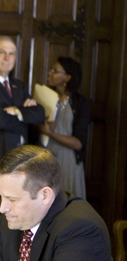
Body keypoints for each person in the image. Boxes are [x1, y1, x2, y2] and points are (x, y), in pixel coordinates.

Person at [0, 36, 46, 187]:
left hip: (19, 165)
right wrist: (25, 115)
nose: (7, 57)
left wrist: (16, 111)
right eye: (2, 52)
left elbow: (40, 114)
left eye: (12, 54)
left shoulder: (19, 86)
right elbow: (0, 120)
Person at [37, 57, 89, 198]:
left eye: (54, 71)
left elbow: (78, 143)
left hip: (67, 160)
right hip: (44, 157)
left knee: (67, 203)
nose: (49, 73)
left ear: (67, 77)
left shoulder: (80, 103)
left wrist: (51, 133)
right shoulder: (44, 95)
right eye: (50, 70)